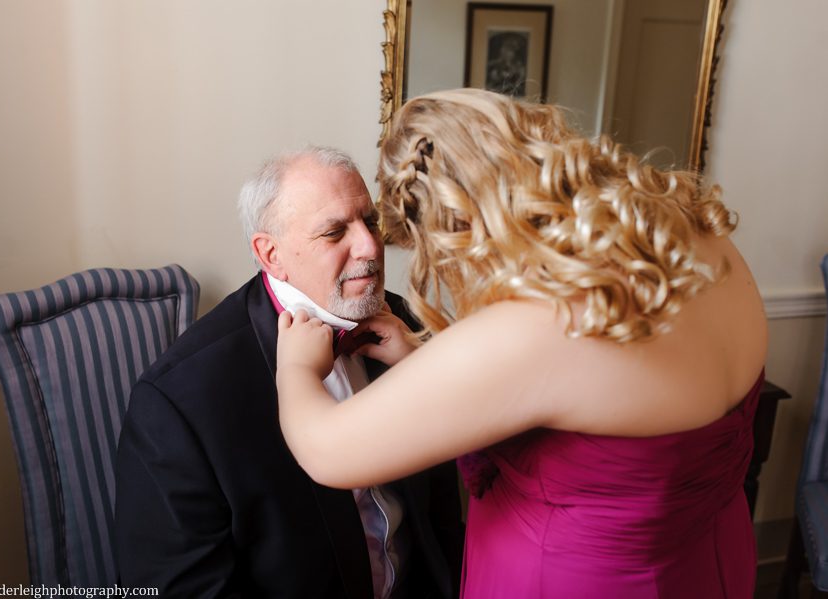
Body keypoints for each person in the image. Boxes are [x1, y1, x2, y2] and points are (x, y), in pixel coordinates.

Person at [274, 90, 767, 598]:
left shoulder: (537, 328)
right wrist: (421, 360)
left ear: (458, 225)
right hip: (712, 561)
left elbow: (325, 451)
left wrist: (295, 369)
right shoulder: (696, 235)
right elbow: (587, 403)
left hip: (579, 581)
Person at [115, 147, 464, 598]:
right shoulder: (178, 401)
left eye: (370, 221)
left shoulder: (406, 326)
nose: (370, 246)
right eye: (335, 231)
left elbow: (441, 514)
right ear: (270, 253)